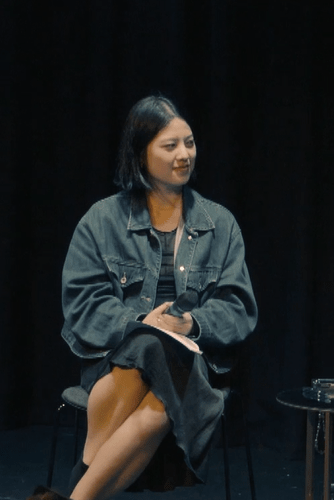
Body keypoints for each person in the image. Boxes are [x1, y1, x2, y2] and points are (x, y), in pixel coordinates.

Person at [29, 96, 258, 500]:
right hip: (113, 362)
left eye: (189, 143)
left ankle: (75, 491)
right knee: (149, 345)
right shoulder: (100, 221)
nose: (184, 154)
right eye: (170, 146)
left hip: (195, 364)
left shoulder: (220, 224)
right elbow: (83, 303)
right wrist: (139, 323)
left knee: (163, 361)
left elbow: (239, 308)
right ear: (140, 153)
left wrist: (190, 324)